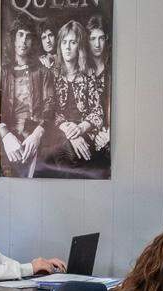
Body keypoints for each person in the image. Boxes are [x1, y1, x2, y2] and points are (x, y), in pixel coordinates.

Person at [40, 20, 105, 179]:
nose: (67, 47)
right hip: (59, 129)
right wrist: (69, 131)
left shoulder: (89, 73)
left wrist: (81, 128)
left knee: (70, 155)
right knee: (66, 151)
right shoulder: (52, 74)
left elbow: (98, 111)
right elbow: (49, 110)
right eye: (64, 42)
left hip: (84, 131)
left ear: (80, 46)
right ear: (60, 45)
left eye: (73, 42)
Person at [0, 16, 56, 178]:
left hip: (37, 137)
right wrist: (5, 135)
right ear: (13, 38)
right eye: (20, 34)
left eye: (28, 36)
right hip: (7, 138)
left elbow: (50, 105)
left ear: (33, 42)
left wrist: (37, 134)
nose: (24, 40)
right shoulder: (2, 73)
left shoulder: (43, 72)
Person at [86, 15, 111, 164]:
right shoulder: (83, 69)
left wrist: (110, 133)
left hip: (108, 132)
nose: (97, 44)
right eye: (93, 38)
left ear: (106, 39)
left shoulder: (111, 69)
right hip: (89, 132)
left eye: (101, 38)